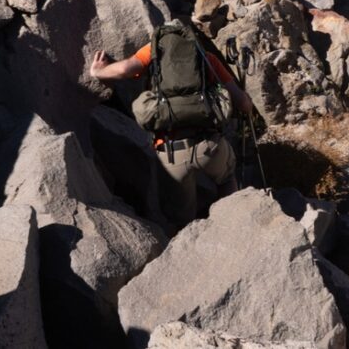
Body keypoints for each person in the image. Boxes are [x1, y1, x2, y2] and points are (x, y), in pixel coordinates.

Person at [89, 25, 254, 231]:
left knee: (181, 220)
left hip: (171, 153)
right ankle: (232, 225)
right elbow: (244, 105)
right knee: (227, 177)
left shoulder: (152, 53)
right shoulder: (205, 57)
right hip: (209, 146)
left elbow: (123, 70)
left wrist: (98, 71)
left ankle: (189, 244)